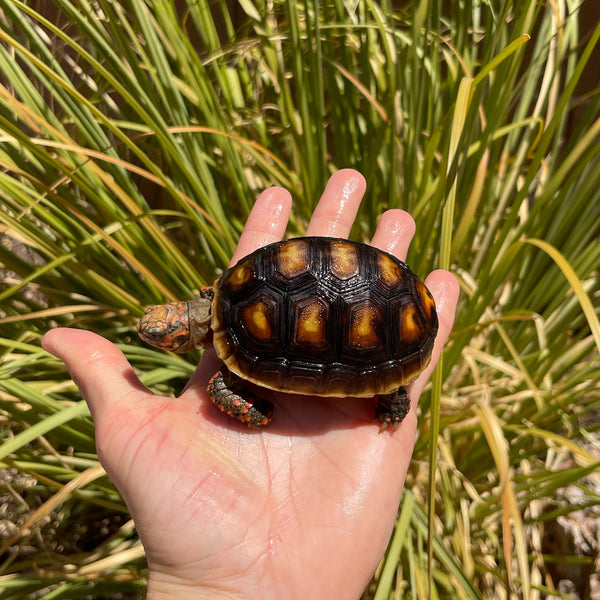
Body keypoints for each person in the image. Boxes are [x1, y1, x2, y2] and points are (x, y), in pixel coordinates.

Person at [42, 169, 459, 599]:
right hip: (387, 289)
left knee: (225, 388)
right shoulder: (235, 280)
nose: (157, 339)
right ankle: (388, 387)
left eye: (162, 337)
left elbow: (230, 387)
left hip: (387, 328)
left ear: (184, 336)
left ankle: (391, 392)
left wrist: (252, 412)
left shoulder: (225, 364)